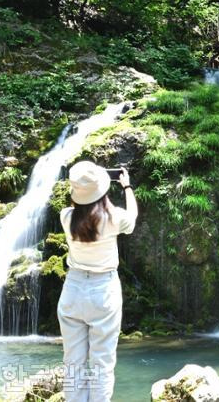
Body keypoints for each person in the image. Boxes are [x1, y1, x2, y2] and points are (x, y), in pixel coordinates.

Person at [57, 160, 138, 402]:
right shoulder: (113, 218)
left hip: (72, 291)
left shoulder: (66, 217)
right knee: (102, 364)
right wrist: (127, 187)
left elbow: (81, 207)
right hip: (103, 292)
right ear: (102, 191)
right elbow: (131, 219)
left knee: (73, 363)